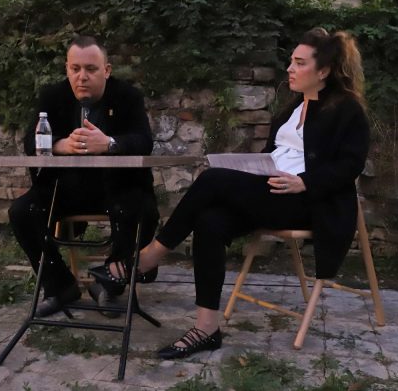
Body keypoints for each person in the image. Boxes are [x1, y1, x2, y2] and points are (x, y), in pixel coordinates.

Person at [93, 27, 370, 359]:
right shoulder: (293, 108)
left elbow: (351, 165)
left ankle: (148, 257)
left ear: (323, 71)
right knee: (210, 221)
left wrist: (306, 182)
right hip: (271, 192)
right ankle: (206, 329)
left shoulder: (347, 109)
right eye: (291, 61)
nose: (290, 69)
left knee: (212, 180)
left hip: (307, 203)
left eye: (299, 63)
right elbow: (274, 155)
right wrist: (253, 168)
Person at [9, 36, 159, 317]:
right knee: (21, 212)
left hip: (118, 185)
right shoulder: (52, 96)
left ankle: (109, 284)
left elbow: (143, 141)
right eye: (75, 69)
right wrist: (59, 145)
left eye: (91, 69)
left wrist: (109, 143)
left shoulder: (127, 96)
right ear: (67, 69)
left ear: (107, 70)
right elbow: (31, 140)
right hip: (66, 186)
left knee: (143, 210)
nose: (82, 77)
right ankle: (60, 286)